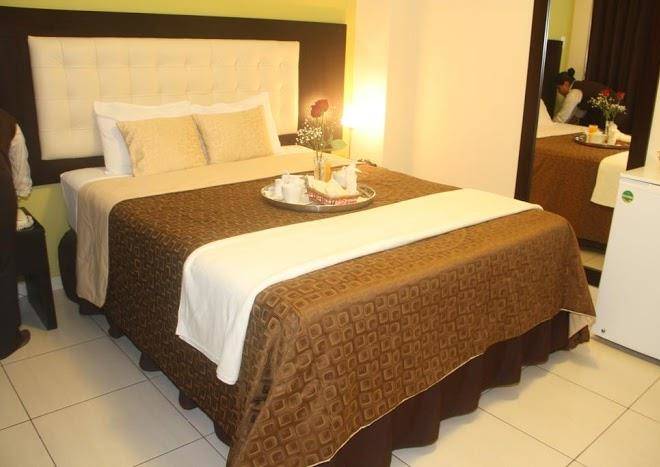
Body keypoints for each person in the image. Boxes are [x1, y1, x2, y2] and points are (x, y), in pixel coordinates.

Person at [0, 108, 30, 359]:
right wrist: (20, 192)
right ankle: (6, 340)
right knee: (3, 266)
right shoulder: (7, 121)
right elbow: (20, 172)